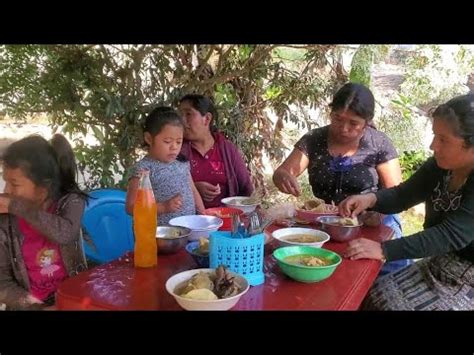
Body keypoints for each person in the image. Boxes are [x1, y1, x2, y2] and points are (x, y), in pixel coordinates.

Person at [340, 93, 474, 310]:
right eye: (434, 136)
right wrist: (370, 199)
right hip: (439, 263)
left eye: (443, 140)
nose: (433, 146)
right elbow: (405, 194)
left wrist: (385, 250)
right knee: (369, 295)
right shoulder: (440, 166)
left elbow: (452, 234)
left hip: (468, 278)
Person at [272, 82, 409, 274]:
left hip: (374, 220)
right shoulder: (314, 140)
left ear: (367, 122)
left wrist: (377, 214)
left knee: (386, 273)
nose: (343, 128)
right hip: (326, 222)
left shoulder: (379, 143)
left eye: (353, 123)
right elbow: (284, 172)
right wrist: (282, 176)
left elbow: (397, 193)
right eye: (338, 119)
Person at [0, 134, 88, 310]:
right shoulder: (6, 222)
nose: (6, 191)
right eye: (5, 182)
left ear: (43, 189)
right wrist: (38, 308)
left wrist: (19, 207)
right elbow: (3, 282)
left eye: (14, 184)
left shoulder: (70, 202)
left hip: (75, 300)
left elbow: (65, 233)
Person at [126, 107, 205, 225]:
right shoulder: (143, 169)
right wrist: (162, 207)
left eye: (179, 142)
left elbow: (193, 191)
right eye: (167, 141)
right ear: (148, 138)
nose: (174, 147)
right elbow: (131, 207)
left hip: (189, 231)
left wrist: (203, 214)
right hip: (158, 237)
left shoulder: (182, 164)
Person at [178, 94, 254, 209]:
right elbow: (165, 190)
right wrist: (194, 188)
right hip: (189, 220)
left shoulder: (227, 150)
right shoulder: (176, 151)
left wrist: (253, 213)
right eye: (180, 115)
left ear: (207, 119)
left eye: (188, 114)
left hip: (227, 218)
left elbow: (246, 188)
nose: (182, 121)